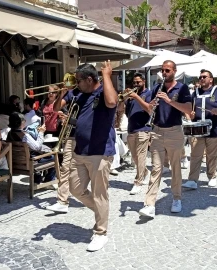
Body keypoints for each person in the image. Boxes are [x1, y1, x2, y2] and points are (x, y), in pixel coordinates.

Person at [68, 62, 118, 251]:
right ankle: (101, 211)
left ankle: (100, 233)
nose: (76, 84)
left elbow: (112, 102)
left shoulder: (104, 93)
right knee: (75, 189)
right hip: (81, 151)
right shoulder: (83, 96)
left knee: (99, 194)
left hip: (99, 152)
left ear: (90, 79)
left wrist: (106, 75)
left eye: (79, 80)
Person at [136, 60, 192, 218]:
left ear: (174, 71)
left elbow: (188, 109)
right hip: (157, 131)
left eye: (167, 70)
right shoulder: (156, 88)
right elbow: (148, 109)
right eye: (162, 70)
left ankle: (176, 198)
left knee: (175, 167)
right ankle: (150, 204)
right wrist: (151, 105)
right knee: (156, 168)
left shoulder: (182, 88)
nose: (164, 73)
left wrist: (169, 100)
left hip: (174, 131)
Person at [182, 69, 217, 189]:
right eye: (200, 77)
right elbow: (190, 109)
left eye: (204, 77)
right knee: (195, 155)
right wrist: (190, 115)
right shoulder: (195, 92)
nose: (202, 79)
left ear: (211, 79)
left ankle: (212, 176)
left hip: (214, 128)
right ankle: (192, 180)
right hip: (198, 128)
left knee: (212, 155)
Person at [47, 73, 79, 214]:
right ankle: (62, 201)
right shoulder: (69, 94)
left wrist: (70, 120)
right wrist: (61, 93)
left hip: (86, 137)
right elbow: (55, 108)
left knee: (83, 169)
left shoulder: (90, 95)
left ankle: (85, 193)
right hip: (71, 136)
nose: (69, 82)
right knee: (65, 167)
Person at [7, 112, 55, 184]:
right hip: (29, 163)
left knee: (35, 155)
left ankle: (37, 179)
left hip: (14, 163)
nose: (25, 122)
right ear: (21, 122)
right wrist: (41, 132)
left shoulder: (9, 133)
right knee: (53, 157)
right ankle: (49, 181)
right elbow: (37, 147)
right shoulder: (24, 135)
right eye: (24, 120)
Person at [124, 73, 151, 195]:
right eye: (134, 82)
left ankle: (138, 182)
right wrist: (124, 99)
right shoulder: (131, 97)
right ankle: (145, 172)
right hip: (131, 129)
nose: (136, 84)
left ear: (144, 81)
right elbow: (123, 112)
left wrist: (136, 97)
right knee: (135, 157)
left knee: (141, 157)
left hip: (143, 129)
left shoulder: (148, 93)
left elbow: (149, 109)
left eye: (138, 82)